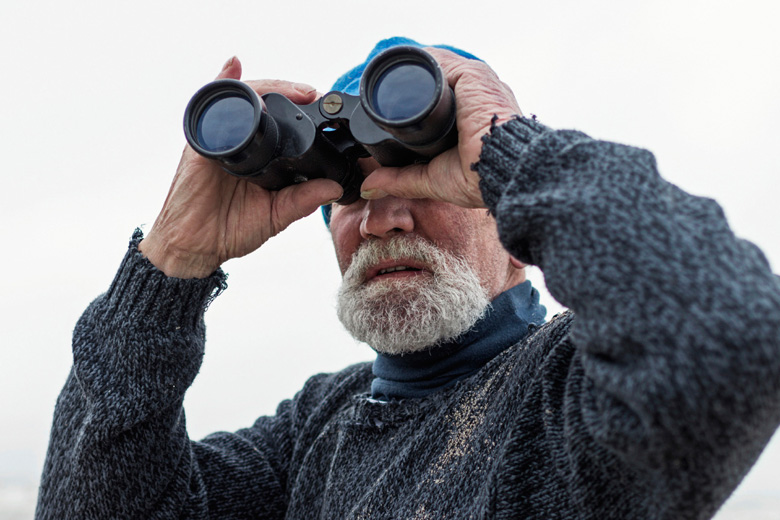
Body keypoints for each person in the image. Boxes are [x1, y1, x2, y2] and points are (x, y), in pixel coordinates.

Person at [35, 37, 780, 519]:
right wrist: (169, 266)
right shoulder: (312, 432)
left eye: (423, 187)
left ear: (515, 228)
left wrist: (509, 151)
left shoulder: (564, 395)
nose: (385, 220)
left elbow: (732, 339)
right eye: (353, 196)